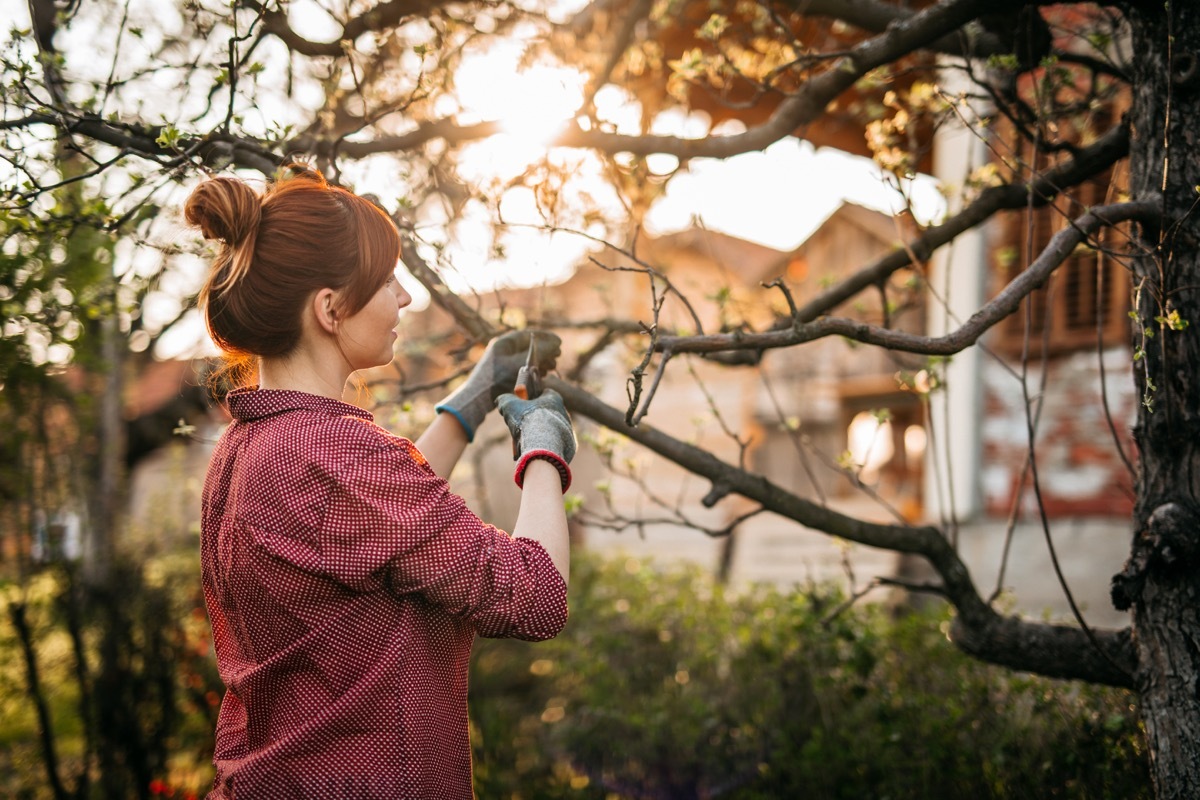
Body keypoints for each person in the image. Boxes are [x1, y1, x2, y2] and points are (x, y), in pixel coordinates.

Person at [186, 164, 576, 800]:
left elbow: (376, 529)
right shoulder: (335, 453)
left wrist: (471, 401)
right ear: (331, 308)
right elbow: (534, 596)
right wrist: (543, 449)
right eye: (385, 280)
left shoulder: (247, 448)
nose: (405, 297)